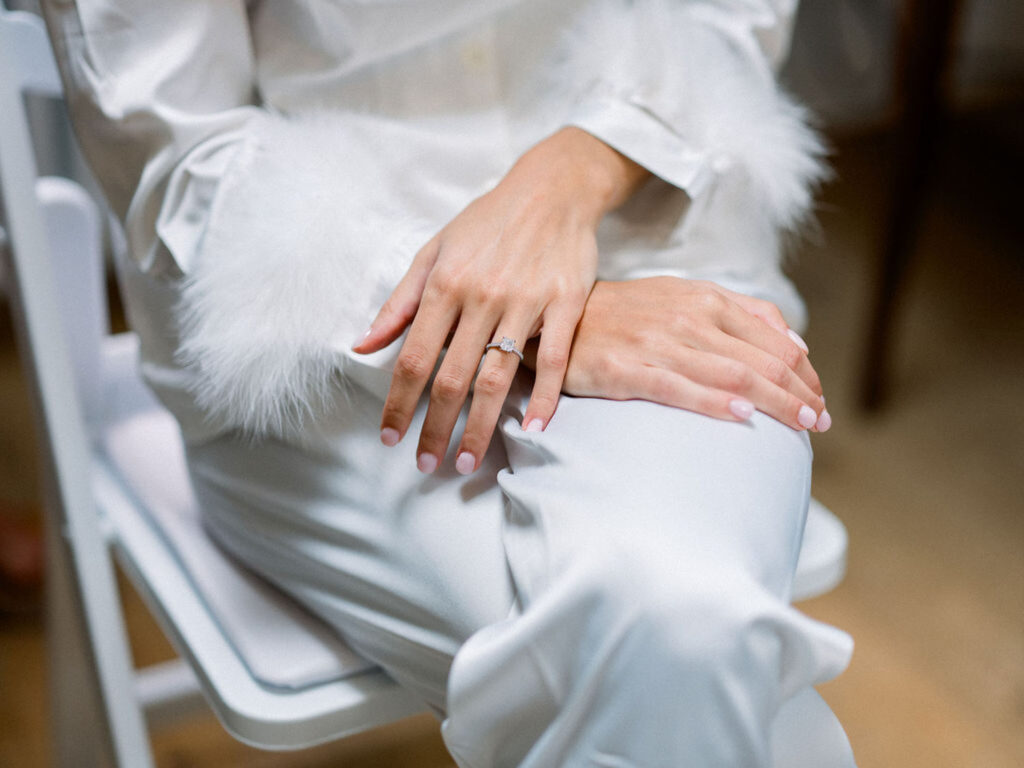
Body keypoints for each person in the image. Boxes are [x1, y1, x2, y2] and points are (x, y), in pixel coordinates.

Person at [42, 0, 855, 764]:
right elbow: (181, 153)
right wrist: (530, 314)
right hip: (314, 340)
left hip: (662, 254)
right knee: (687, 637)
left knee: (676, 630)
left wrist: (571, 176)